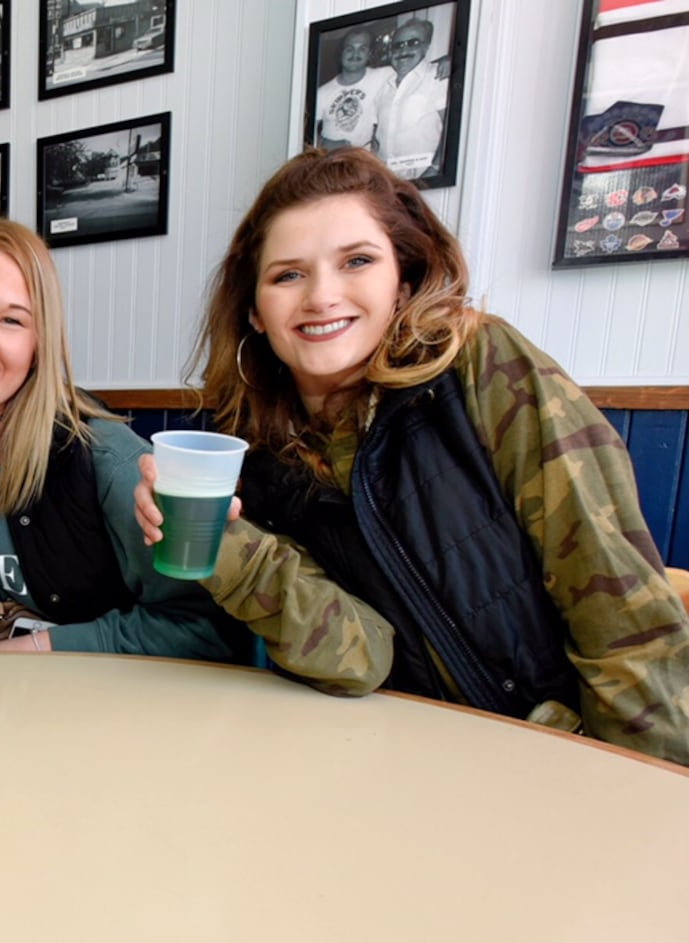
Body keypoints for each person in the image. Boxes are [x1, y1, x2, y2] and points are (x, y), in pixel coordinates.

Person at [132, 146, 689, 764]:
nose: (320, 296)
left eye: (357, 261)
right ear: (255, 313)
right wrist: (228, 548)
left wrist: (647, 792)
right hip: (405, 765)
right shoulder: (259, 453)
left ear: (405, 279)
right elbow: (362, 659)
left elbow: (621, 611)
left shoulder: (482, 366)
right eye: (287, 274)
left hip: (561, 756)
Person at [0, 219, 248, 661]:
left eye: (10, 319)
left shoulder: (107, 461)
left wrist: (41, 649)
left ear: (38, 345)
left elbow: (208, 630)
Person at [376, 18, 449, 180]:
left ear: (426, 46)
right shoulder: (383, 86)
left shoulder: (437, 76)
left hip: (424, 177)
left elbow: (451, 127)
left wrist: (436, 167)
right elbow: (376, 136)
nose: (404, 50)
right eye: (398, 45)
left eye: (413, 43)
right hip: (387, 182)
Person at [314, 28, 394, 151]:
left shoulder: (384, 75)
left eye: (362, 49)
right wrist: (326, 143)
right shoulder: (321, 93)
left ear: (370, 54)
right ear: (341, 54)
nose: (355, 54)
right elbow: (304, 132)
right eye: (349, 49)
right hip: (332, 162)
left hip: (366, 162)